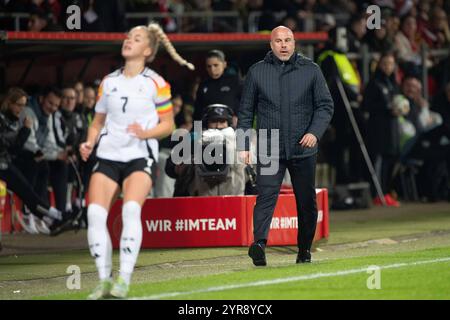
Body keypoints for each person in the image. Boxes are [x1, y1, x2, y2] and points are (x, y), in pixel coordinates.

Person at [79, 22, 194, 300]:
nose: (129, 40)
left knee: (130, 211)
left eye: (137, 38)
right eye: (128, 36)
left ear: (148, 50)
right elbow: (97, 122)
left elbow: (168, 125)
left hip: (139, 154)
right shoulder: (108, 82)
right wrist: (89, 141)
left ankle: (123, 281)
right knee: (95, 215)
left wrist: (146, 132)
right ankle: (103, 281)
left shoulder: (157, 84)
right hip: (108, 154)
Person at [237, 26, 334, 266]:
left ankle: (304, 250)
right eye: (278, 41)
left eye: (287, 40)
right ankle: (259, 244)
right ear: (271, 45)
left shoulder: (311, 70)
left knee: (306, 201)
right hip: (269, 147)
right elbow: (246, 111)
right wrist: (244, 144)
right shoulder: (257, 72)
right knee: (265, 197)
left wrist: (314, 132)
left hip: (303, 148)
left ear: (294, 43)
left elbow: (325, 106)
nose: (283, 45)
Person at [0, 87, 64, 234]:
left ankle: (49, 217)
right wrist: (26, 130)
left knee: (35, 172)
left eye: (23, 105)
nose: (21, 109)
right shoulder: (3, 120)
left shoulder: (14, 121)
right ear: (9, 103)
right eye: (19, 105)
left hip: (6, 162)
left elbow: (14, 149)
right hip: (3, 165)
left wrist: (34, 155)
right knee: (25, 189)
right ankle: (54, 215)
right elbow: (11, 148)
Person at [193, 49, 242, 127]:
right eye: (209, 66)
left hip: (232, 127)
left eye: (216, 65)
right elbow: (198, 111)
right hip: (209, 128)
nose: (212, 69)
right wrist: (197, 131)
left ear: (224, 64)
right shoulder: (203, 85)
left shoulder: (235, 81)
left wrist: (239, 118)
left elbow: (246, 103)